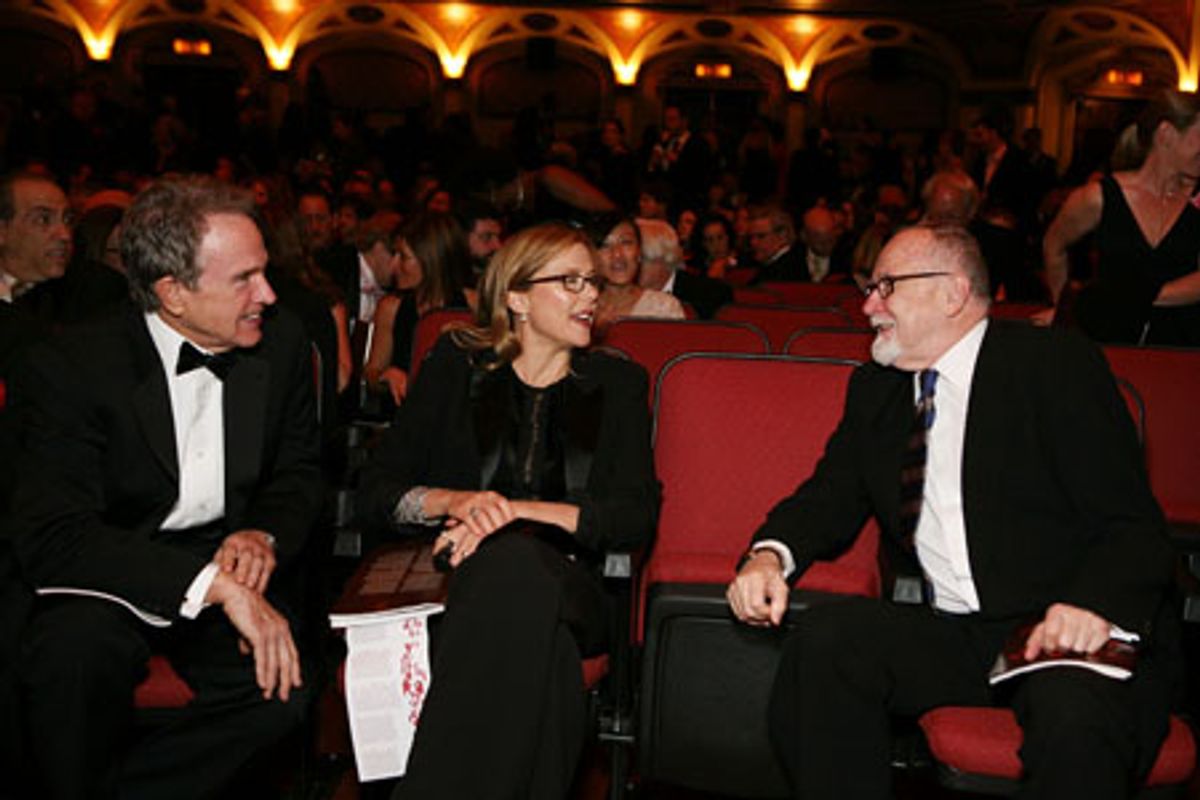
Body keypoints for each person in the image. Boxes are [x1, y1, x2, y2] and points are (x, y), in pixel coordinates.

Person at [726, 224, 1178, 800]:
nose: (868, 305)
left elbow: (1133, 526)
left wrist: (1091, 606)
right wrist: (768, 556)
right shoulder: (879, 389)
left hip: (1067, 628)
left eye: (886, 287)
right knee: (830, 642)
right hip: (962, 634)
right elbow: (830, 496)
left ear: (952, 293)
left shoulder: (1052, 366)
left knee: (1073, 717)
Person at [7, 175, 323, 799]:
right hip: (111, 566)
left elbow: (299, 472)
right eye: (243, 279)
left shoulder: (279, 344)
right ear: (172, 294)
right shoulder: (71, 367)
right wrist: (213, 587)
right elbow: (57, 533)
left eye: (264, 271)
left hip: (223, 555)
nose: (267, 293)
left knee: (283, 686)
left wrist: (261, 532)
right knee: (71, 662)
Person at [358, 222, 660, 799]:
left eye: (592, 282)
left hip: (572, 587)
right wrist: (456, 502)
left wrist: (515, 512)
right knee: (544, 677)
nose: (591, 295)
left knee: (515, 562)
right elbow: (377, 491)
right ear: (516, 297)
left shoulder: (617, 381)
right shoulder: (454, 364)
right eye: (570, 281)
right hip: (457, 588)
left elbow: (634, 515)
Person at [1043, 91, 1200, 345]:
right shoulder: (1099, 197)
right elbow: (1054, 246)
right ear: (1166, 134)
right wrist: (1064, 310)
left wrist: (1124, 300)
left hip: (1182, 351)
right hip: (1109, 345)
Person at [362, 212, 473, 406]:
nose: (394, 265)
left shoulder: (473, 305)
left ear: (431, 260)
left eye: (403, 257)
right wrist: (386, 376)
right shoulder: (391, 308)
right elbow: (372, 371)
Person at [588, 213, 685, 335]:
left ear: (639, 252)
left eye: (626, 243)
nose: (617, 254)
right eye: (605, 245)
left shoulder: (663, 308)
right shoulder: (581, 306)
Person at [636, 218, 732, 320]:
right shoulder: (622, 295)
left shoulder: (710, 294)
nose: (632, 267)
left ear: (663, 258)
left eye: (639, 259)